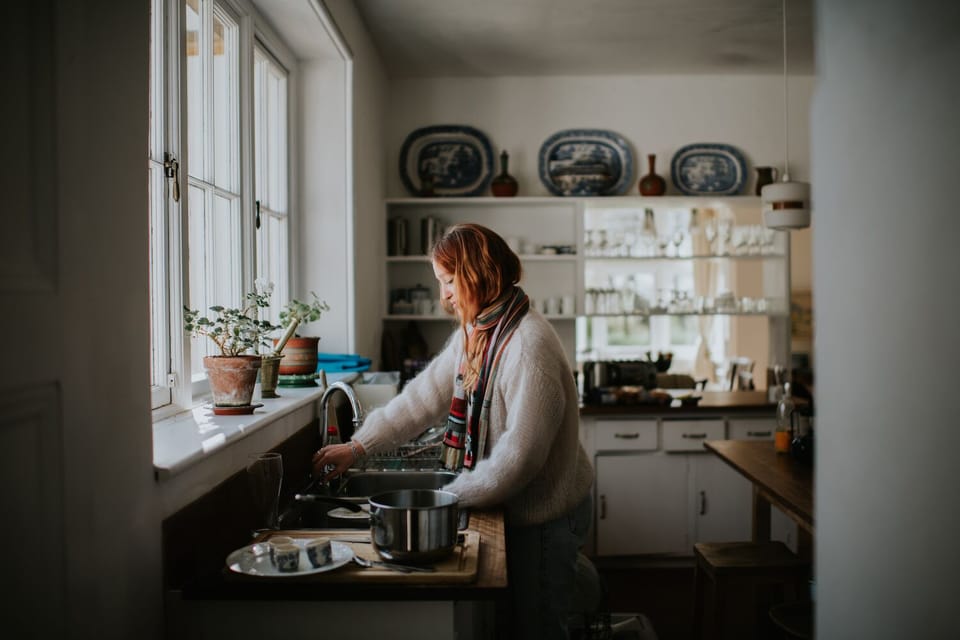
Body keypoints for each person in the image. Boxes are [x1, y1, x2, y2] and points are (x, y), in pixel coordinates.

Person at [312, 223, 595, 639]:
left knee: (539, 628)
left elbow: (519, 460)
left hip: (545, 516)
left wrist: (447, 497)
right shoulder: (479, 332)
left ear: (477, 275)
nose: (442, 293)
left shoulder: (527, 347)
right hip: (515, 509)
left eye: (447, 281)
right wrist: (357, 448)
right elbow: (422, 399)